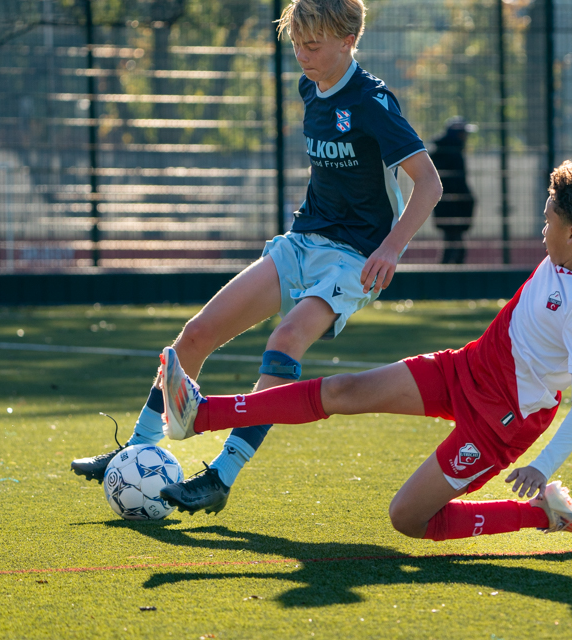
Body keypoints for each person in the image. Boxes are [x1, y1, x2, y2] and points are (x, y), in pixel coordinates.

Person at [159, 34, 572, 543]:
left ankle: (542, 513)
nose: (542, 228)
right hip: (468, 367)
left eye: (548, 220)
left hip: (503, 418)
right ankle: (201, 414)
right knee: (344, 389)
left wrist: (541, 466)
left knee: (408, 518)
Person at [70, 0, 443, 514]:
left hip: (351, 260)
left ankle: (220, 477)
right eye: (296, 45)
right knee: (196, 335)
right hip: (301, 241)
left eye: (313, 46)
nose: (303, 57)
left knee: (286, 340)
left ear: (348, 40)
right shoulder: (309, 87)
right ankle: (135, 449)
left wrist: (390, 249)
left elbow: (429, 184)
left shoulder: (374, 102)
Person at [430, 116, 476, 264]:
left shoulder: (438, 152)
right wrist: (468, 201)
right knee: (455, 247)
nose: (466, 137)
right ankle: (447, 279)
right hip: (454, 207)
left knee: (452, 244)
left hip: (442, 205)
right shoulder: (453, 153)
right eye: (463, 133)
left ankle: (444, 276)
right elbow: (458, 182)